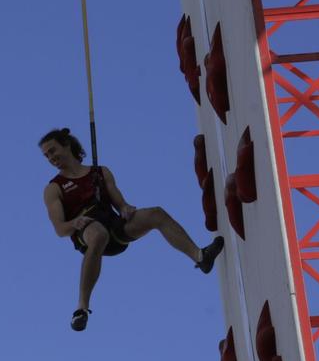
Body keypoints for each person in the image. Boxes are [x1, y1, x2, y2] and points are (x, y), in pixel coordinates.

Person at [39, 126, 223, 332]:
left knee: (156, 213)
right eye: (46, 155)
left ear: (66, 144)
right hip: (88, 232)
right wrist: (74, 223)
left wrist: (126, 209)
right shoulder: (54, 188)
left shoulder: (100, 172)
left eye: (52, 151)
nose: (50, 158)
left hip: (114, 226)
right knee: (98, 233)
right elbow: (60, 229)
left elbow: (120, 204)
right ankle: (82, 307)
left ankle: (200, 257)